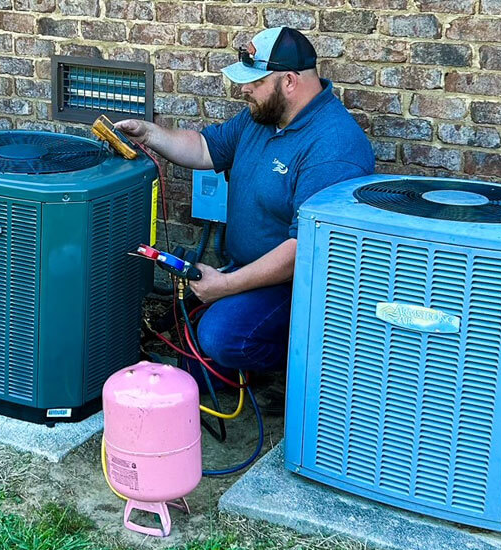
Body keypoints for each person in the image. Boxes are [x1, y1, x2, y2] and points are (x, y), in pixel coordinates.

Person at [114, 27, 374, 388]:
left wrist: (226, 286)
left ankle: (301, 372)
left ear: (289, 81)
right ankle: (237, 360)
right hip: (248, 269)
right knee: (193, 359)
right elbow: (206, 148)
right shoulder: (263, 117)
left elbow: (306, 251)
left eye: (255, 81)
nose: (244, 89)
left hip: (299, 286)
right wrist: (150, 134)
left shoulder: (334, 146)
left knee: (222, 336)